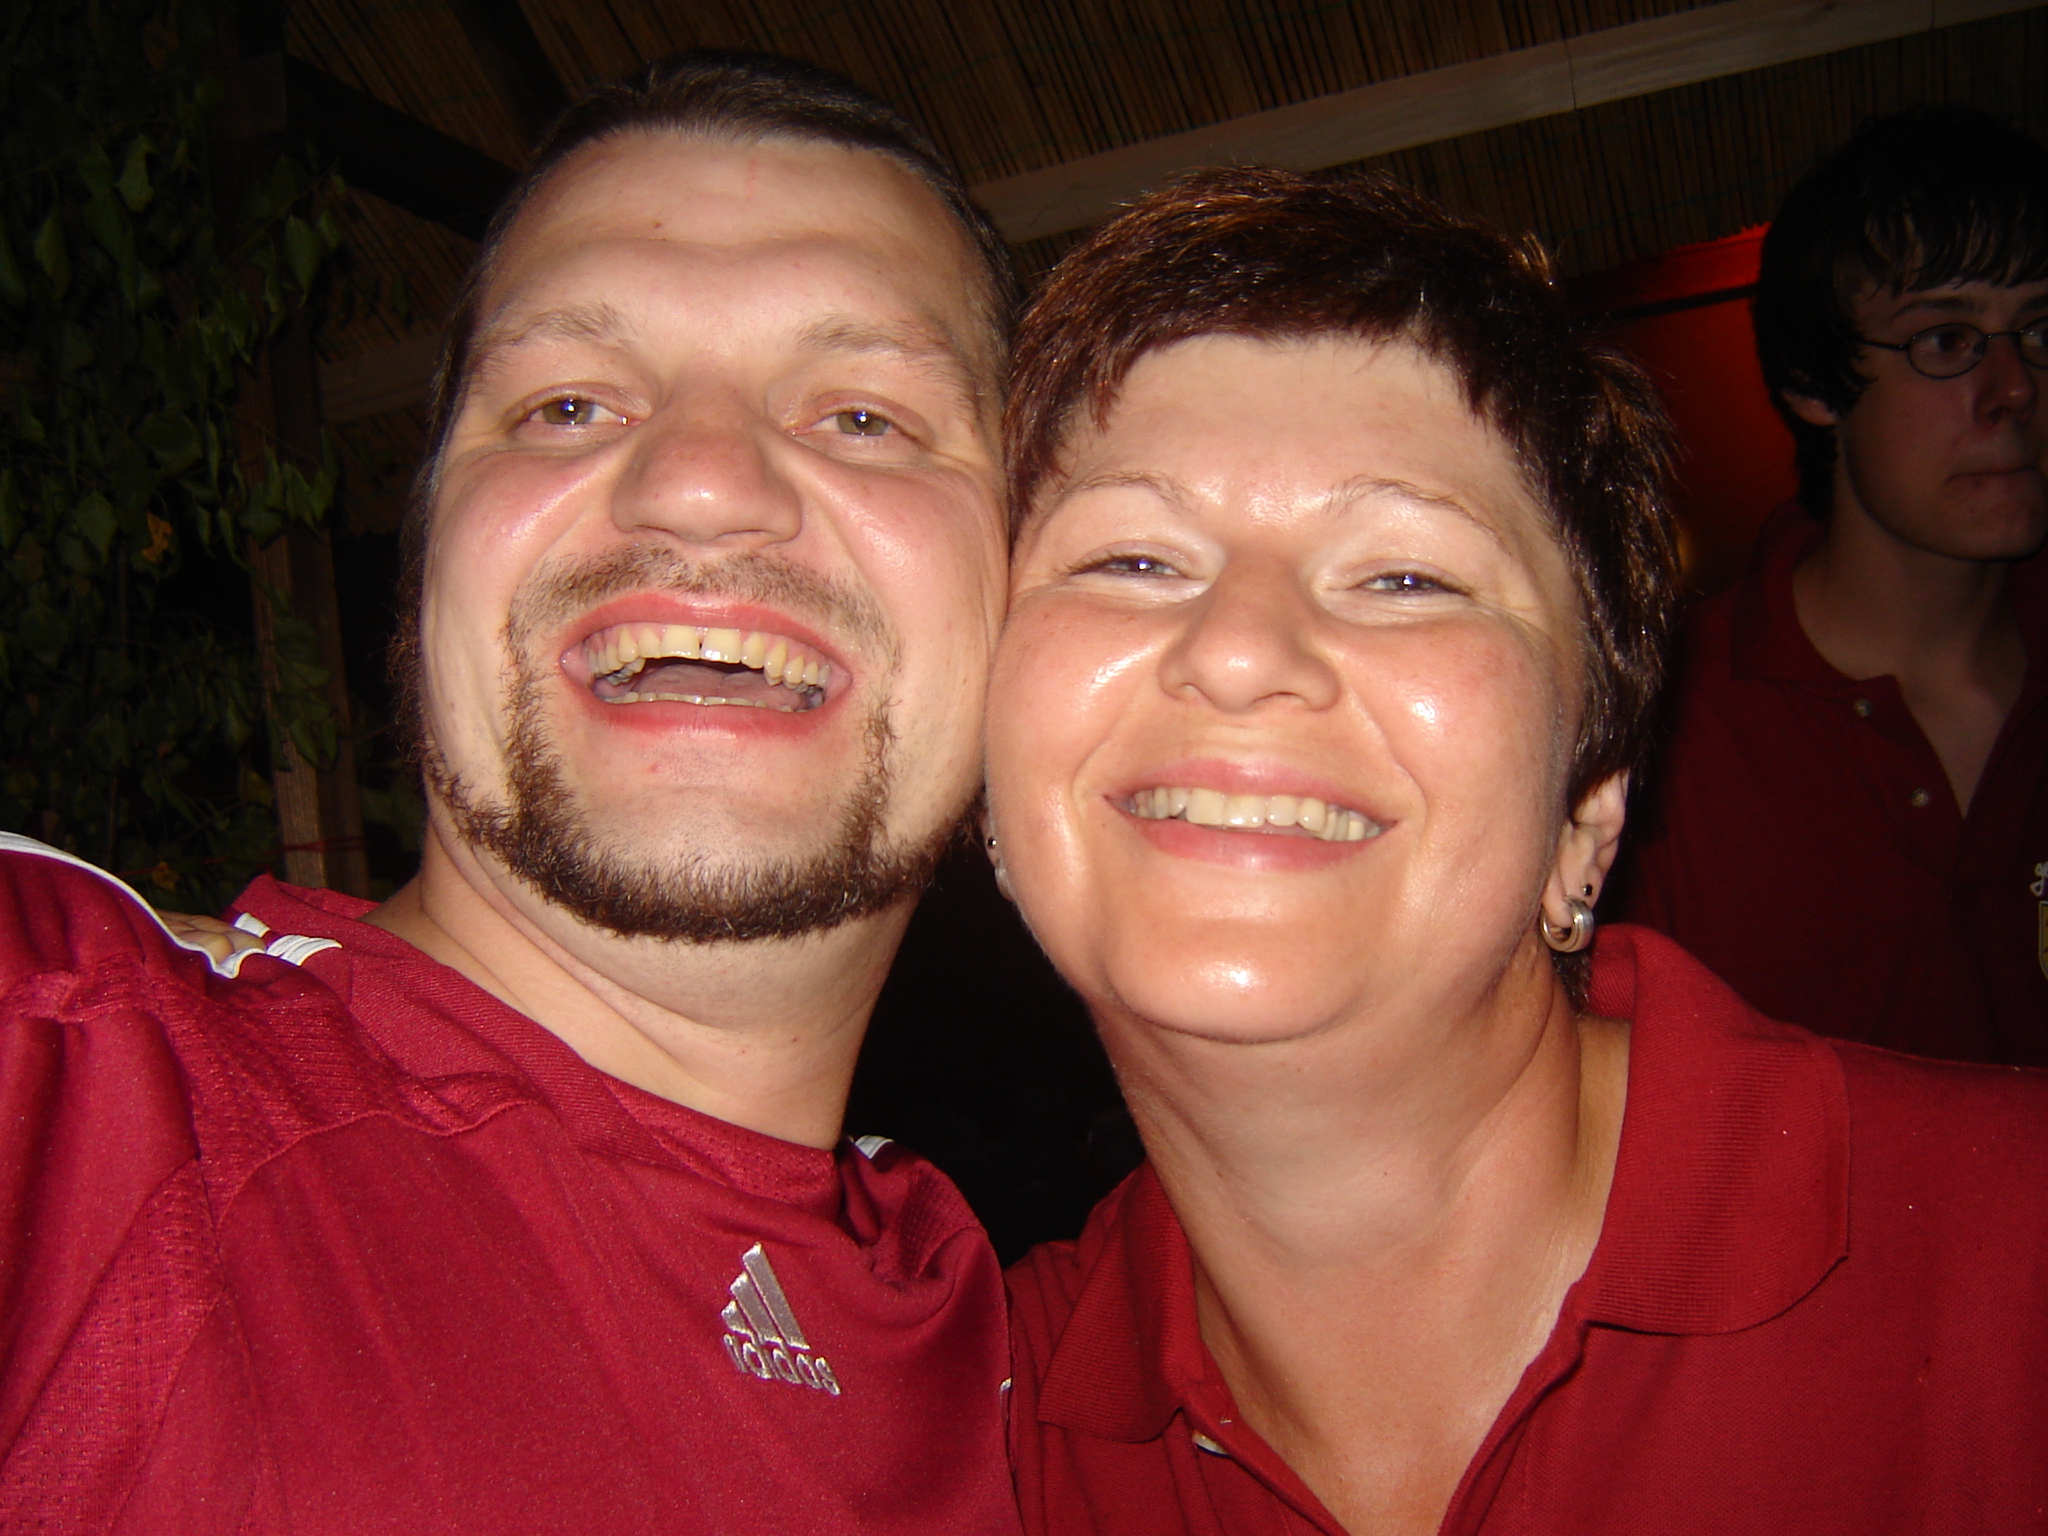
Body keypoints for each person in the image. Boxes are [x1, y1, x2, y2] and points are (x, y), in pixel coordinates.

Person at [0, 53, 1024, 1534]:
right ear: (425, 569)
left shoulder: (1015, 1350)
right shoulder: (76, 1074)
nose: (698, 483)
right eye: (564, 404)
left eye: (865, 416)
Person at [985, 167, 2048, 1536]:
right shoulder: (963, 1432)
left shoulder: (2010, 1260)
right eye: (1129, 560)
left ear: (1589, 807)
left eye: (1406, 576)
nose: (1238, 652)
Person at [1616, 106, 2048, 1064]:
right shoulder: (1667, 734)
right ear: (1813, 382)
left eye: (2039, 330)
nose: (2015, 387)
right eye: (1946, 341)